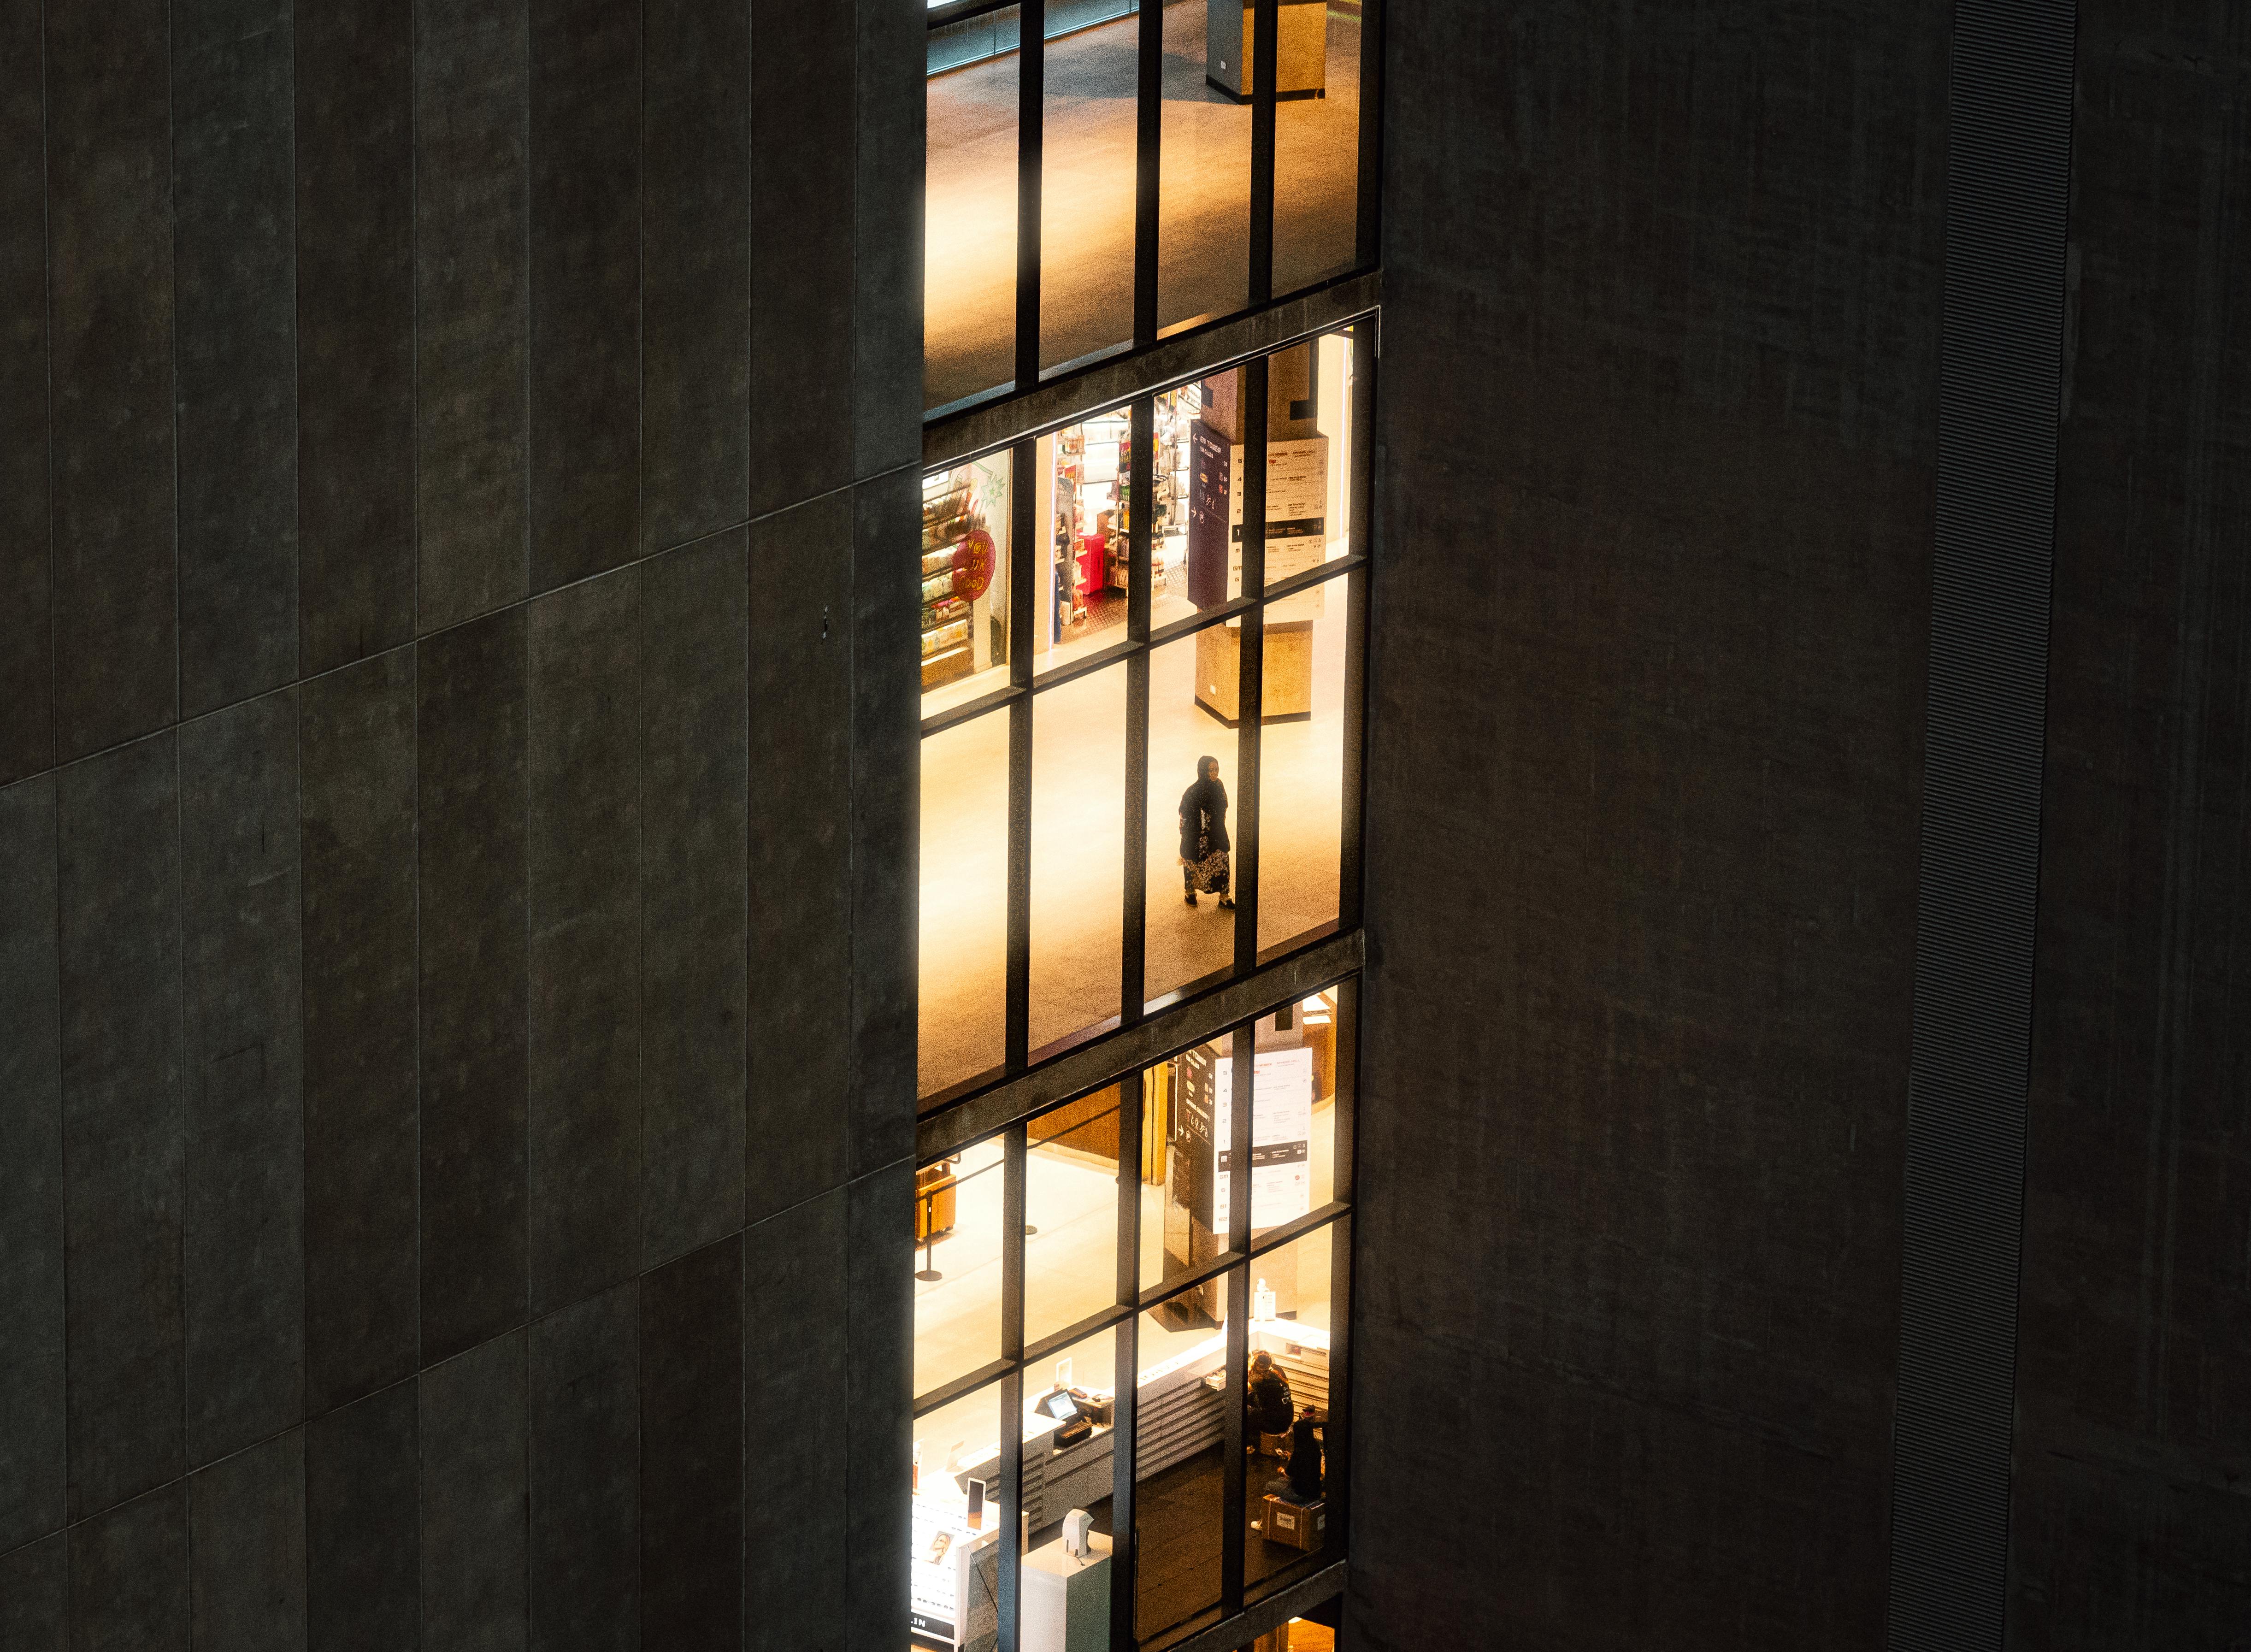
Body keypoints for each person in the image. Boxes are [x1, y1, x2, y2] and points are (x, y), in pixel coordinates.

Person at [1179, 755, 1233, 909]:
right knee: (1194, 862)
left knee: (1221, 861)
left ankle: (1224, 896)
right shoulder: (1192, 792)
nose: (1214, 773)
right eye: (1211, 770)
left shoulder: (1218, 785)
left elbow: (1224, 804)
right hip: (1198, 836)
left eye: (1216, 769)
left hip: (1216, 832)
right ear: (1203, 771)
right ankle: (1190, 892)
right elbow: (1185, 815)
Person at [1244, 1349, 1293, 1451]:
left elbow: (1242, 1389)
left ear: (1258, 1366)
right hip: (1288, 1418)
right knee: (1253, 1397)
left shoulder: (1260, 1379)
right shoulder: (1277, 1370)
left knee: (1244, 1409)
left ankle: (1253, 1444)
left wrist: (1249, 1370)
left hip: (1276, 1425)